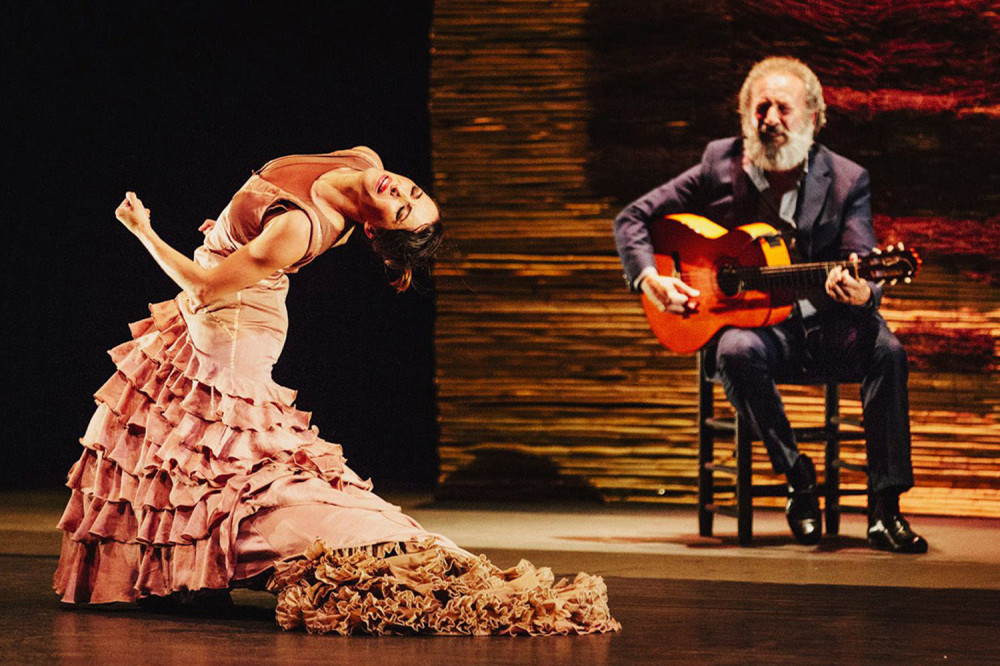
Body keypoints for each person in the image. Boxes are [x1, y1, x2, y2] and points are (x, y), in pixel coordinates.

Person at [54, 147, 620, 635]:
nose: (398, 189)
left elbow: (202, 290)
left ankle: (375, 545)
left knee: (228, 461)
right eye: (411, 192)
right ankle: (196, 572)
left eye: (400, 208)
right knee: (188, 449)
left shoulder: (300, 226)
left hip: (234, 324)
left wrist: (143, 230)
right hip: (231, 305)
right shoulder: (364, 159)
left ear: (374, 228)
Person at [612, 57, 927, 554]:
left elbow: (864, 256)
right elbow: (633, 218)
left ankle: (885, 510)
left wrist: (866, 291)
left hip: (826, 328)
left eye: (784, 108)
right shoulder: (719, 164)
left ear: (813, 118)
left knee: (888, 352)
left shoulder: (847, 180)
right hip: (760, 335)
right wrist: (651, 279)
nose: (771, 118)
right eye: (761, 108)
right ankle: (798, 476)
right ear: (744, 117)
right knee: (732, 352)